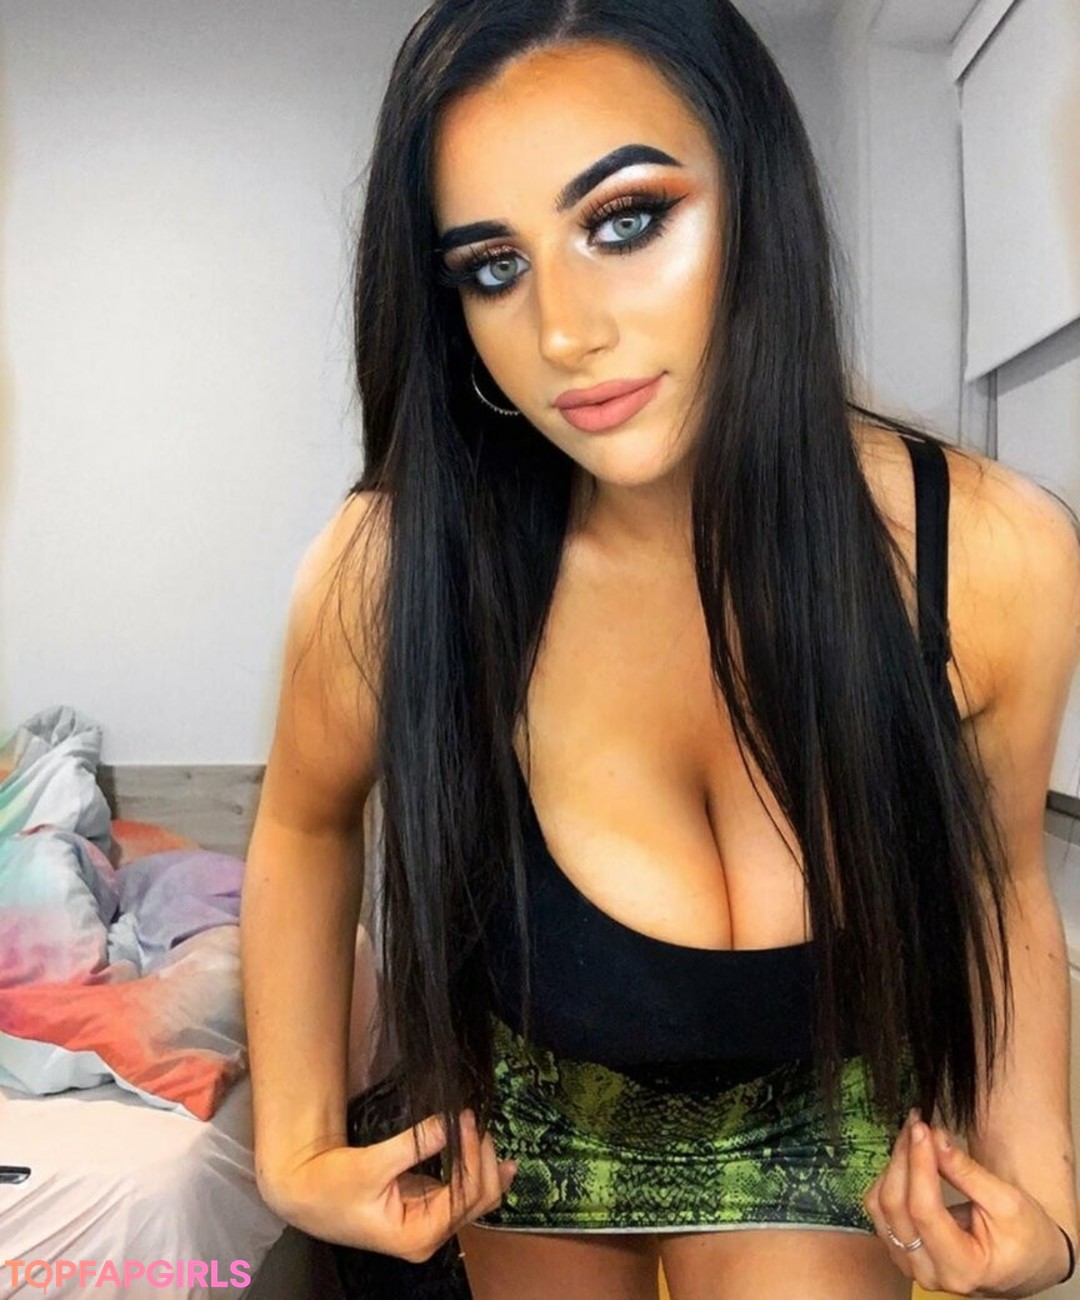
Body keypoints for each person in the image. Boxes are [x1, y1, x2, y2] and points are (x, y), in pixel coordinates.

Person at [239, 2, 1080, 1296]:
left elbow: (1000, 878)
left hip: (822, 1118)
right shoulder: (399, 566)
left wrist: (1046, 1196)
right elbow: (304, 822)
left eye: (626, 220)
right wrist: (294, 1150)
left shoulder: (990, 555)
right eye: (492, 267)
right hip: (535, 1124)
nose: (563, 333)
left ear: (757, 194)